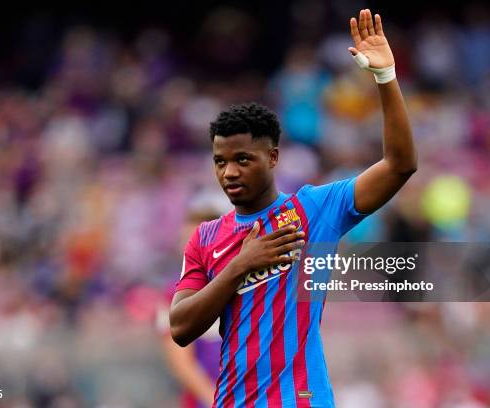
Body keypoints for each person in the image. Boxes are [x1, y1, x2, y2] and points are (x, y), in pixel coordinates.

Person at [170, 9, 417, 407]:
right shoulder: (205, 237)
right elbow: (180, 326)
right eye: (220, 161)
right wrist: (240, 265)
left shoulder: (314, 209)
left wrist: (385, 79)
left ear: (272, 158)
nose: (229, 172)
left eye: (242, 159)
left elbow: (399, 166)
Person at [157, 195, 227, 408]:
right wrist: (217, 401)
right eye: (186, 242)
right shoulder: (173, 296)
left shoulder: (246, 288)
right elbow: (181, 363)